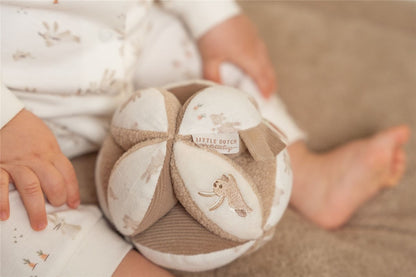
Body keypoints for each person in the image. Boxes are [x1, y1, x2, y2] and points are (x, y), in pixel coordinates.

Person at [0, 0, 410, 276]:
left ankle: (304, 171)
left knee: (215, 68)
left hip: (129, 41)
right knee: (13, 226)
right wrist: (7, 122)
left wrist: (214, 17)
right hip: (17, 111)